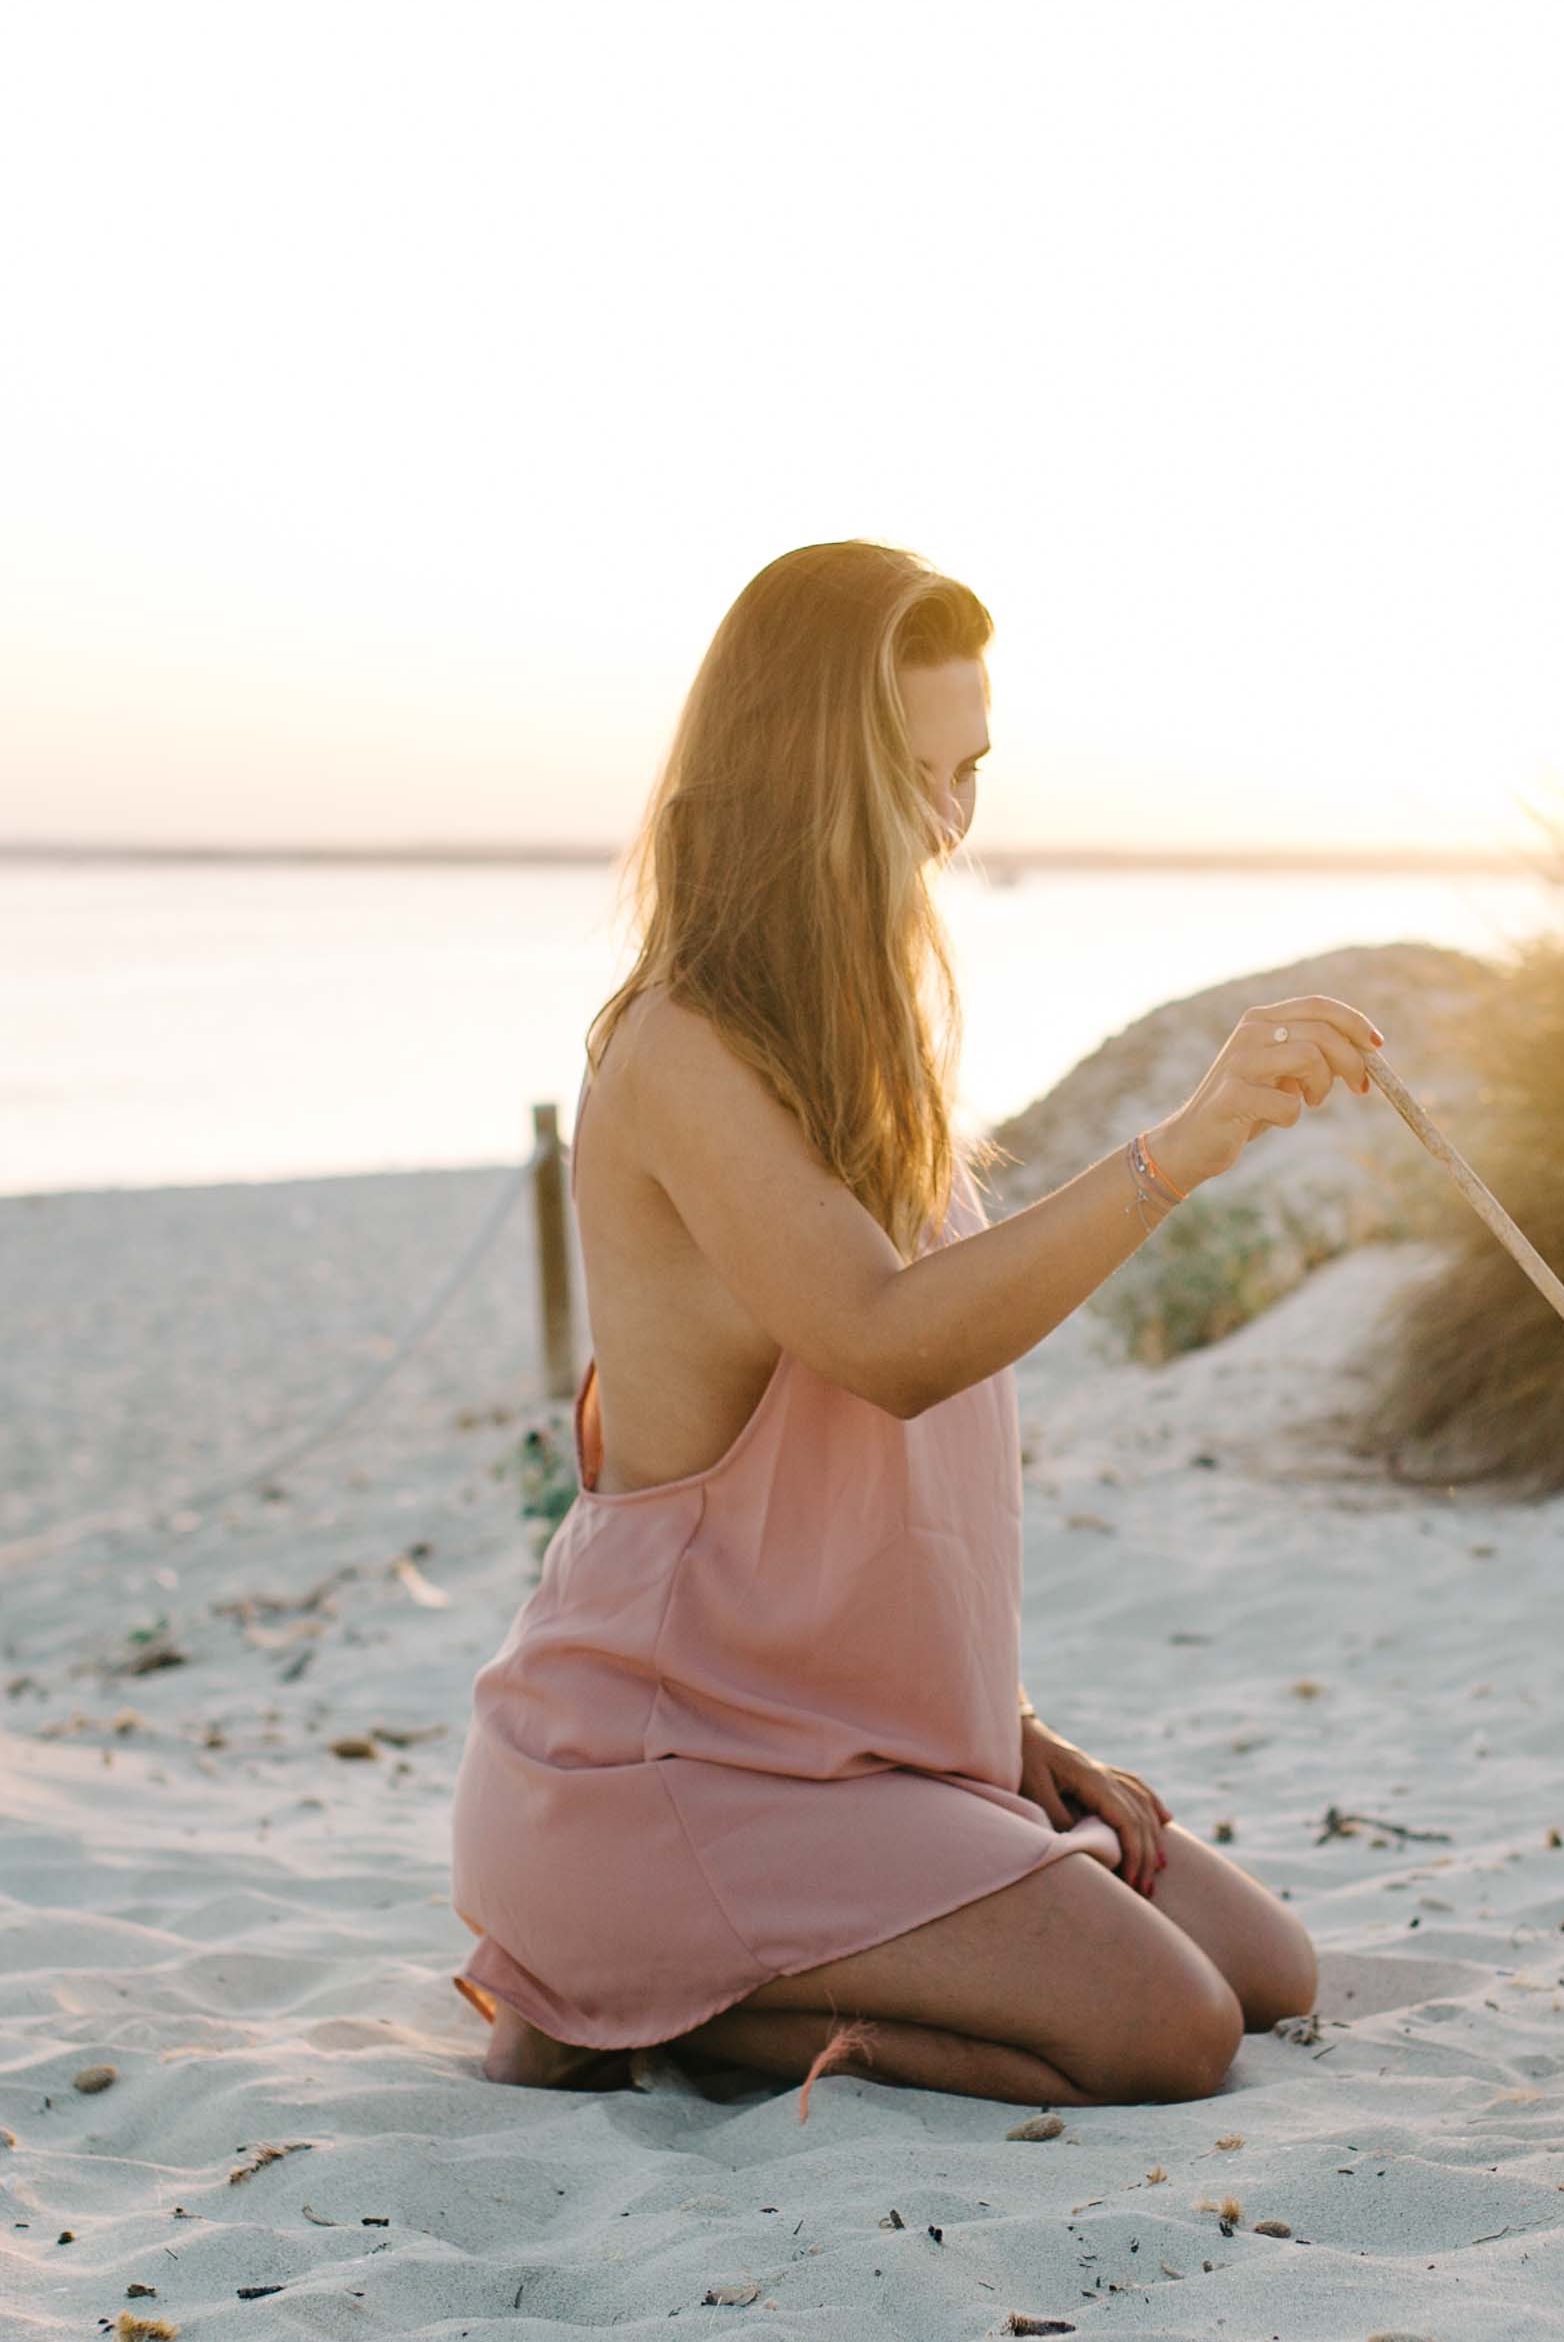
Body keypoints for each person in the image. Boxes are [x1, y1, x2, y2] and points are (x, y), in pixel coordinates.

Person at [452, 541, 1358, 2104]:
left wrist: (1003, 1723)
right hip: (663, 1768)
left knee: (1265, 1972)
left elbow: (872, 1497)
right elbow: (884, 1342)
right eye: (910, 778)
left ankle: (688, 1971)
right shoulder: (679, 1049)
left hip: (849, 1743)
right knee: (1169, 2029)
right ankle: (623, 1997)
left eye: (971, 771)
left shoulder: (863, 1038)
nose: (947, 826)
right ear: (805, 777)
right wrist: (1179, 1148)